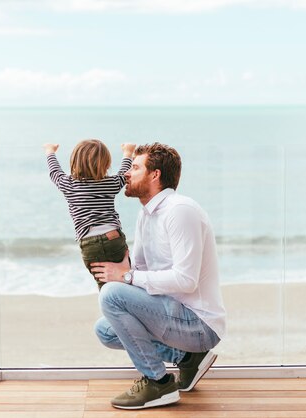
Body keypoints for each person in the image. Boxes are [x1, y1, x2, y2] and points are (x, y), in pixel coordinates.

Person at [90, 142, 227, 410]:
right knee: (105, 330)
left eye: (136, 167)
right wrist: (119, 264)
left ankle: (158, 383)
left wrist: (125, 279)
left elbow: (186, 280)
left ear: (155, 175)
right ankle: (187, 357)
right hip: (173, 313)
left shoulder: (179, 210)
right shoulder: (147, 214)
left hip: (199, 322)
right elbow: (140, 271)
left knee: (112, 295)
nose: (126, 173)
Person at [44, 140, 136, 290]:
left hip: (89, 243)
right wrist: (128, 153)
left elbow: (55, 172)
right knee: (124, 280)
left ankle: (112, 309)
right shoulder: (110, 183)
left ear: (74, 162)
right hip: (112, 238)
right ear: (106, 164)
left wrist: (50, 151)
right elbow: (124, 174)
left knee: (104, 285)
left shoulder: (69, 184)